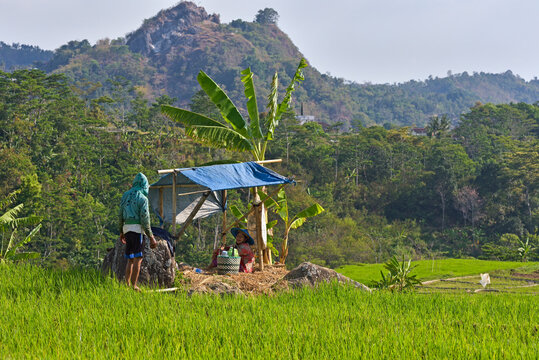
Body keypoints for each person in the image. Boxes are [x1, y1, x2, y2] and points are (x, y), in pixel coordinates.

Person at [119, 173, 157, 291]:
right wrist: (151, 236)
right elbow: (145, 218)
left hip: (126, 228)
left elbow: (120, 215)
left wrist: (121, 231)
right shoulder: (142, 198)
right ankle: (134, 285)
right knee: (138, 258)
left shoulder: (125, 196)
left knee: (130, 258)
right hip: (137, 229)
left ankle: (127, 284)